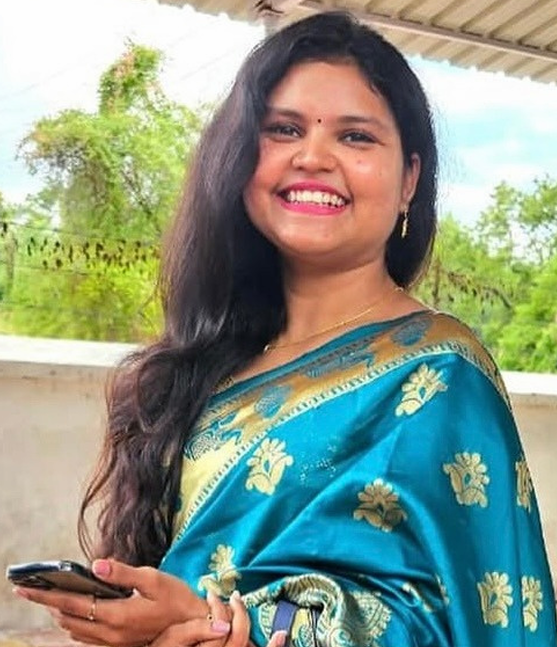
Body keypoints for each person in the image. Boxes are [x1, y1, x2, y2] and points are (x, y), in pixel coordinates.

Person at [13, 10, 556, 647]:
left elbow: (486, 619)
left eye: (356, 137)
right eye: (283, 129)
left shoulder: (441, 375)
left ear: (409, 179)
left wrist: (250, 629)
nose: (313, 156)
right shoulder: (202, 363)